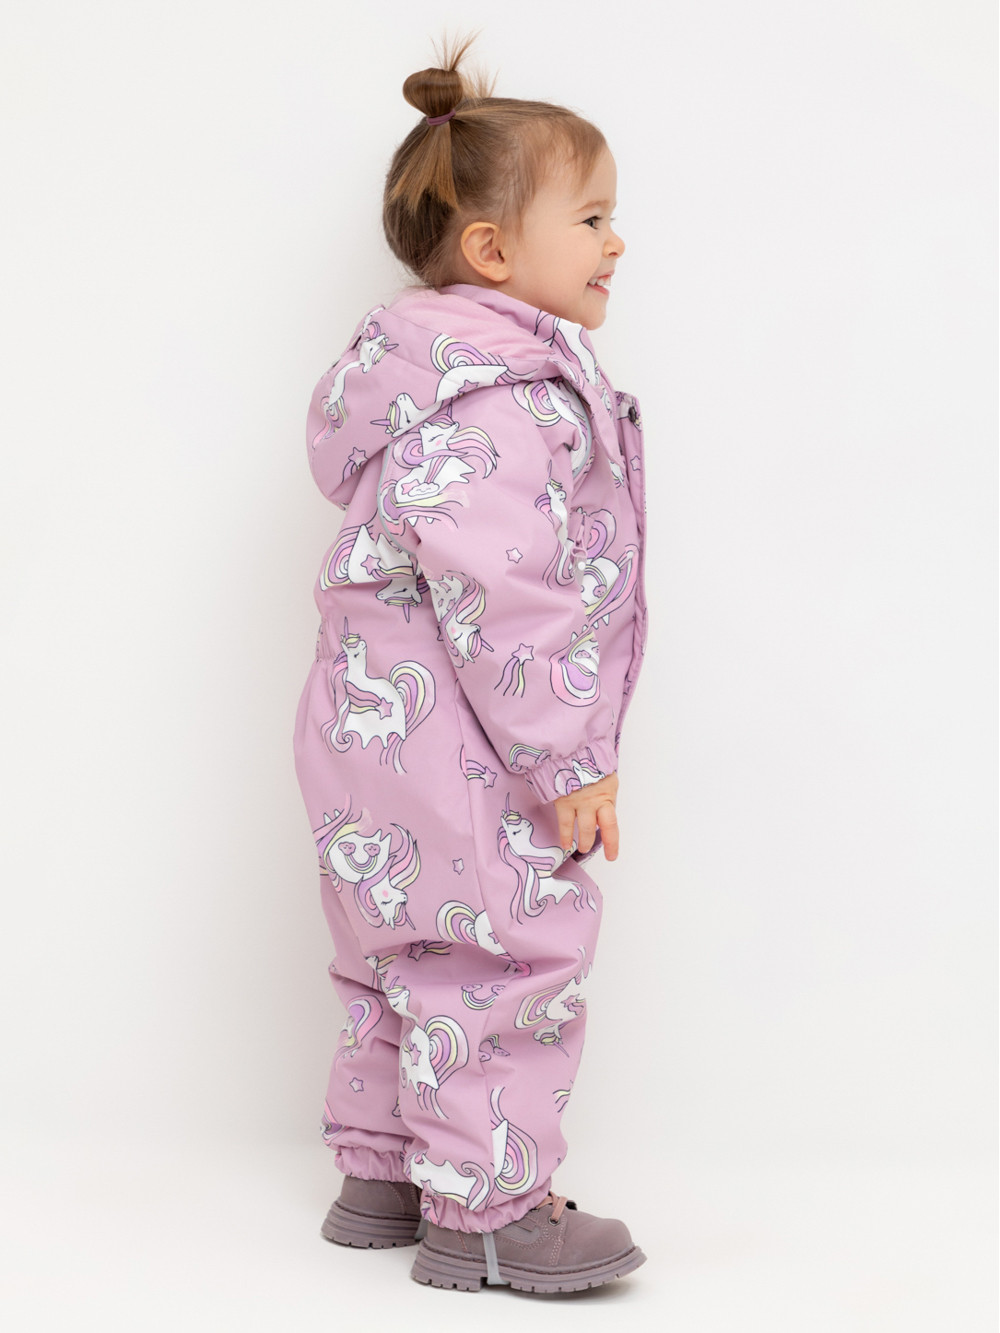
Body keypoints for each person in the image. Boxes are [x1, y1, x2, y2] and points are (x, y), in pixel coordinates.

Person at [293, 38, 649, 1294]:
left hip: (364, 743)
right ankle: (490, 1210)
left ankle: (382, 1173)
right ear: (494, 251)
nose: (616, 244)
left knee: (396, 950)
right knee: (506, 954)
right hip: (461, 746)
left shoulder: (416, 383)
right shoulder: (496, 400)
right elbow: (506, 600)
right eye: (591, 219)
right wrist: (570, 759)